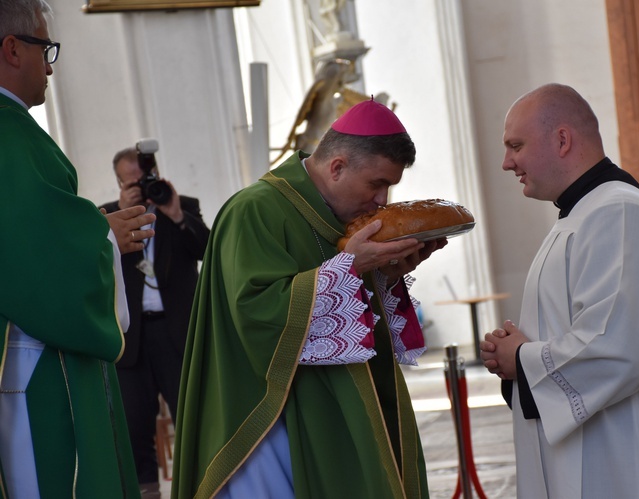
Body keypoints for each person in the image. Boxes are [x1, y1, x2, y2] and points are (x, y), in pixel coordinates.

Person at [171, 98, 445, 498]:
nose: (382, 201)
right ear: (337, 167)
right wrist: (350, 266)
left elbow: (349, 316)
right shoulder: (255, 210)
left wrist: (385, 275)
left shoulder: (342, 216)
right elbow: (256, 314)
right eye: (377, 184)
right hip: (272, 420)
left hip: (340, 407)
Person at [479, 83, 639, 498]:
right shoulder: (583, 214)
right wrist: (517, 348)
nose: (507, 162)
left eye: (516, 145)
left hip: (632, 465)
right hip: (605, 453)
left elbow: (620, 347)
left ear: (562, 139)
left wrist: (523, 358)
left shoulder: (617, 213)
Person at [0, 0, 156, 496]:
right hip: (30, 357)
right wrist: (105, 236)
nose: (49, 66)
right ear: (11, 49)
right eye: (45, 49)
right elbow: (28, 251)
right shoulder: (10, 135)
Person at [100, 147, 210, 497]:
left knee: (193, 418)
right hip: (132, 338)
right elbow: (100, 268)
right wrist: (120, 215)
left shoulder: (181, 205)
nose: (142, 186)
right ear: (120, 183)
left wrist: (175, 214)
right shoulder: (110, 219)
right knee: (133, 426)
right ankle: (146, 493)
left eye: (145, 178)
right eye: (132, 181)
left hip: (178, 334)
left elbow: (207, 249)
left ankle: (203, 488)